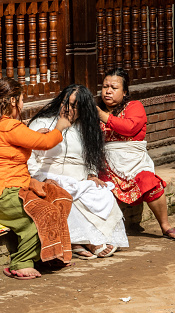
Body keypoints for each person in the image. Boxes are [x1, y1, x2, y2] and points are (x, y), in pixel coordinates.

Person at [0, 77, 72, 279]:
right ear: (12, 101)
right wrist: (60, 127)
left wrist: (34, 134)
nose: (22, 104)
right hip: (1, 195)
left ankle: (49, 255)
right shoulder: (9, 126)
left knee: (59, 197)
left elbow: (24, 139)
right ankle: (20, 262)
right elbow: (44, 143)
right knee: (43, 212)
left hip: (13, 188)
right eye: (21, 99)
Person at [28, 85, 129, 259]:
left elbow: (90, 157)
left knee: (102, 193)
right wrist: (41, 178)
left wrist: (92, 174)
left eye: (74, 105)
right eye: (65, 103)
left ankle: (100, 237)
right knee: (64, 195)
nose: (68, 108)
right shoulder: (41, 123)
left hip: (79, 178)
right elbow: (29, 156)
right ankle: (79, 242)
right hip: (49, 176)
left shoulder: (86, 128)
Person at [96, 67, 175, 241]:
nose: (108, 91)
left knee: (150, 182)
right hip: (107, 164)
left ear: (125, 92)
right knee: (101, 189)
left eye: (114, 87)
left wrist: (103, 116)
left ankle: (165, 226)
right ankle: (102, 234)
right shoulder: (97, 110)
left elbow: (129, 128)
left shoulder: (134, 106)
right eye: (105, 86)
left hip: (135, 163)